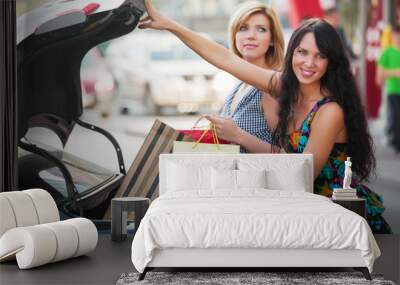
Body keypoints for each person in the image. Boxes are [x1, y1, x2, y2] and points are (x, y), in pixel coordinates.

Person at [139, 0, 391, 233]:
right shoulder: (285, 86)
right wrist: (169, 24)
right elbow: (225, 58)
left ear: (331, 62)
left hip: (337, 216)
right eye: (302, 52)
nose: (308, 63)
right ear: (291, 53)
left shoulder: (330, 111)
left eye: (320, 56)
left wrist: (240, 136)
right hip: (303, 209)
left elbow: (302, 171)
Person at [207, 1, 285, 152]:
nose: (250, 36)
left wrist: (238, 135)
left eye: (261, 29)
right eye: (243, 28)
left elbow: (286, 155)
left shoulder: (269, 86)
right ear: (234, 35)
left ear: (272, 40)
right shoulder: (238, 86)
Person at [376, 25, 400, 154]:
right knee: (395, 117)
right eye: (396, 35)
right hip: (393, 90)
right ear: (392, 37)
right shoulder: (387, 52)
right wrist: (394, 72)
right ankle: (396, 143)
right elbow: (380, 75)